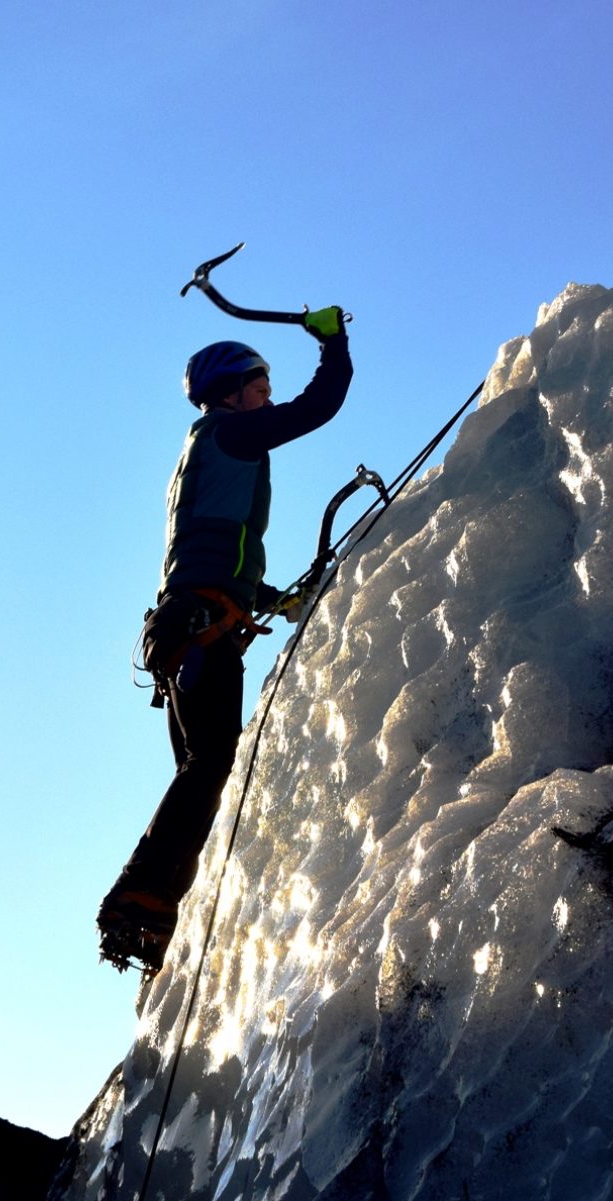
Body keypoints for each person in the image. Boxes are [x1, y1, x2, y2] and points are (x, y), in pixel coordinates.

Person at [98, 307, 353, 973]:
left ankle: (156, 918)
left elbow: (210, 553)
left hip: (189, 627)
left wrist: (265, 599)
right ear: (234, 390)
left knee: (205, 775)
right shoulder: (233, 434)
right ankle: (136, 899)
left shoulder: (204, 450)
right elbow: (318, 406)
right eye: (260, 386)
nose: (267, 397)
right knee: (210, 765)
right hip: (200, 632)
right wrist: (333, 343)